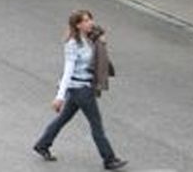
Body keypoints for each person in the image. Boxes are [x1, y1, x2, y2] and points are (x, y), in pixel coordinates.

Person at [32, 10, 127, 170]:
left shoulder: (90, 39)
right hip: (81, 90)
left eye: (90, 19)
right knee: (96, 125)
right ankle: (109, 159)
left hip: (82, 88)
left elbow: (99, 55)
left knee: (63, 119)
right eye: (86, 20)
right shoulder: (73, 44)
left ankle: (42, 144)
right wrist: (59, 96)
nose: (90, 23)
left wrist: (102, 42)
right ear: (78, 25)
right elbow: (68, 70)